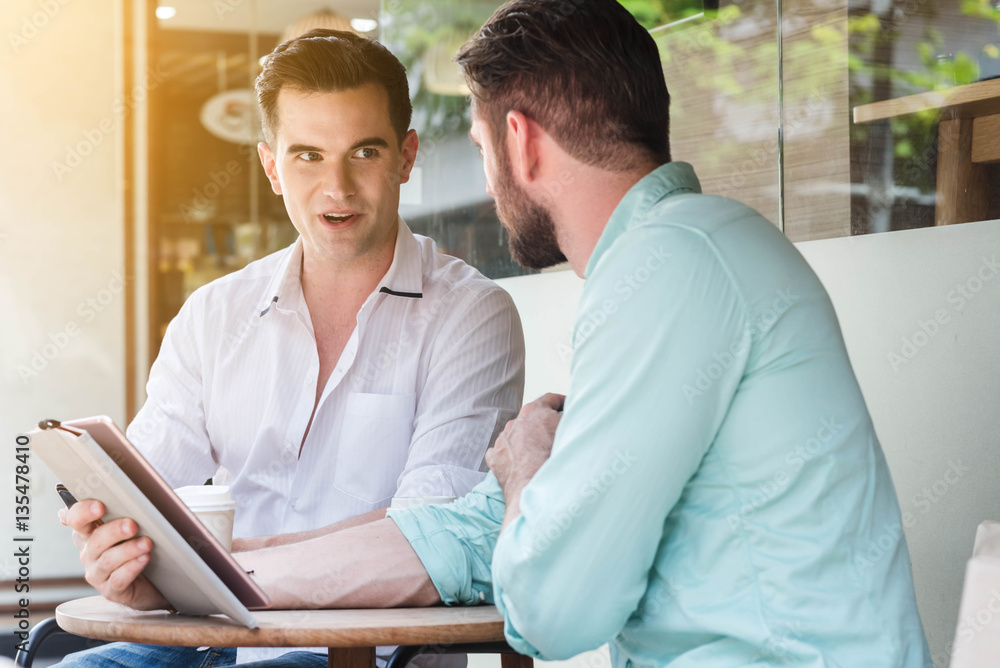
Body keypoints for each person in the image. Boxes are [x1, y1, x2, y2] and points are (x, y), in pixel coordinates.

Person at [233, 1, 930, 665]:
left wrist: (527, 468)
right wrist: (225, 574)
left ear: (521, 141)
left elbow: (552, 612)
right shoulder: (684, 256)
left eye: (480, 148)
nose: (486, 181)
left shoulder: (672, 266)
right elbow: (463, 536)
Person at [57, 29, 524, 668]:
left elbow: (428, 535)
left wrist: (230, 563)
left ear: (406, 157)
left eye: (363, 151)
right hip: (213, 635)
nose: (336, 187)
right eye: (307, 155)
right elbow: (154, 502)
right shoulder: (213, 315)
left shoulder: (471, 316)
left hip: (371, 649)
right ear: (271, 166)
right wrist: (119, 549)